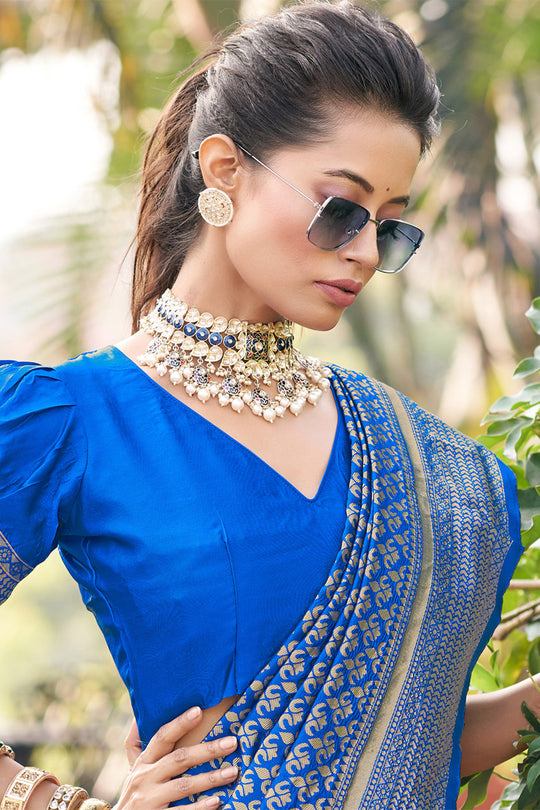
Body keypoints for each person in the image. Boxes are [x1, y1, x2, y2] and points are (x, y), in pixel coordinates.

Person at [0, 2, 536, 809]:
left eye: (390, 228)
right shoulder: (72, 423)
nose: (363, 252)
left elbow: (414, 737)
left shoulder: (431, 462)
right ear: (224, 170)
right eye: (341, 209)